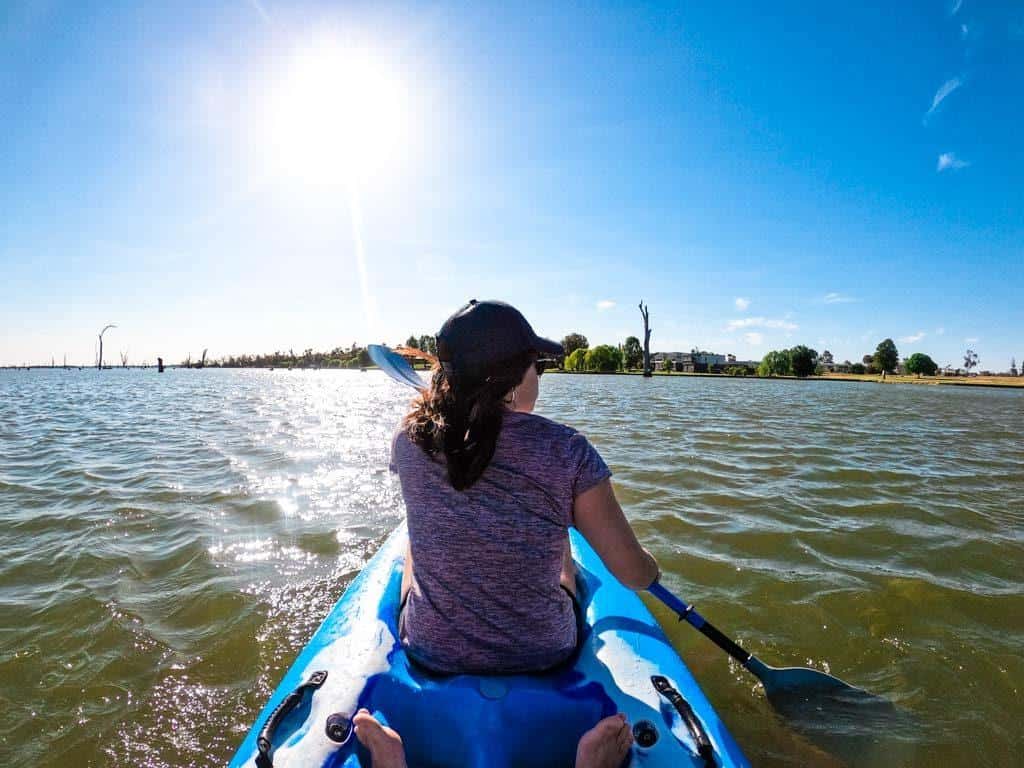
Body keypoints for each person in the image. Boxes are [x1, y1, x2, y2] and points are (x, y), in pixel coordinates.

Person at [359, 299, 661, 768]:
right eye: (535, 364)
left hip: (432, 649)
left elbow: (458, 438)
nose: (539, 375)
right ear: (517, 376)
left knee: (413, 550)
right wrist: (649, 565)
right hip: (544, 651)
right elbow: (634, 575)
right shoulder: (567, 449)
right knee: (562, 547)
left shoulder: (408, 441)